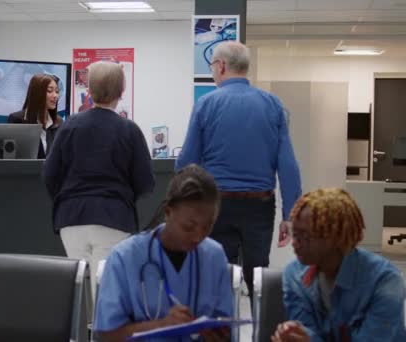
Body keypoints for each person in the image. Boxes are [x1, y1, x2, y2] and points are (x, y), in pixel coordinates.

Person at [176, 41, 302, 302]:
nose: (212, 71)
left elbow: (186, 164)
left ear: (221, 66)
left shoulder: (206, 104)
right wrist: (290, 215)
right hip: (259, 206)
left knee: (216, 277)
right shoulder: (273, 105)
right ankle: (262, 331)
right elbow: (288, 165)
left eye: (212, 65)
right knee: (257, 279)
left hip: (216, 206)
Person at [43, 61, 155, 295]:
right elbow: (145, 182)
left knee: (78, 287)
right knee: (105, 288)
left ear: (90, 91)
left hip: (71, 217)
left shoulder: (70, 126)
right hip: (114, 218)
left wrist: (65, 197)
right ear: (121, 92)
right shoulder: (129, 130)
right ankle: (101, 330)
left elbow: (50, 174)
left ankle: (79, 328)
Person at [94, 164, 233, 342]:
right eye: (188, 227)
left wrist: (217, 336)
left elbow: (226, 330)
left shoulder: (214, 256)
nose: (198, 236)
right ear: (168, 212)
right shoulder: (125, 258)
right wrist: (162, 325)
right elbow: (107, 335)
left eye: (208, 226)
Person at [272, 188, 406, 342]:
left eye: (305, 236)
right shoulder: (294, 274)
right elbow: (306, 329)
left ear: (334, 237)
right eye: (294, 234)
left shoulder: (385, 281)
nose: (295, 243)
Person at [8, 73, 62, 159]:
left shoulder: (58, 122)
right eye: (49, 91)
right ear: (37, 93)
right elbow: (11, 156)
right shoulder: (17, 120)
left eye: (57, 91)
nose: (55, 95)